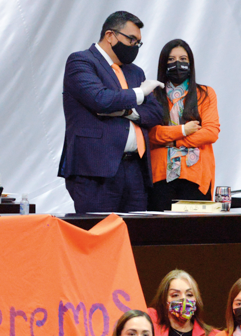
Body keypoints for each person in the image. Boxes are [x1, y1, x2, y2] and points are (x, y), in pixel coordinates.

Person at [58, 10, 164, 214]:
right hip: (95, 171)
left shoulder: (135, 71)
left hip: (135, 169)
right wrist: (140, 93)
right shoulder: (81, 62)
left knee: (136, 238)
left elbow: (155, 113)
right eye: (131, 39)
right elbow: (100, 99)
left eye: (138, 42)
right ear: (110, 35)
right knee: (99, 237)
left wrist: (127, 111)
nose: (135, 46)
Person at [148, 40, 220, 210]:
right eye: (171, 60)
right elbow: (151, 134)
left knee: (194, 231)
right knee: (160, 230)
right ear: (163, 63)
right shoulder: (152, 95)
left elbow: (210, 133)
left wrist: (172, 142)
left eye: (182, 58)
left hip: (196, 174)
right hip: (160, 175)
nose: (177, 64)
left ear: (190, 63)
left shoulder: (205, 94)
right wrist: (183, 130)